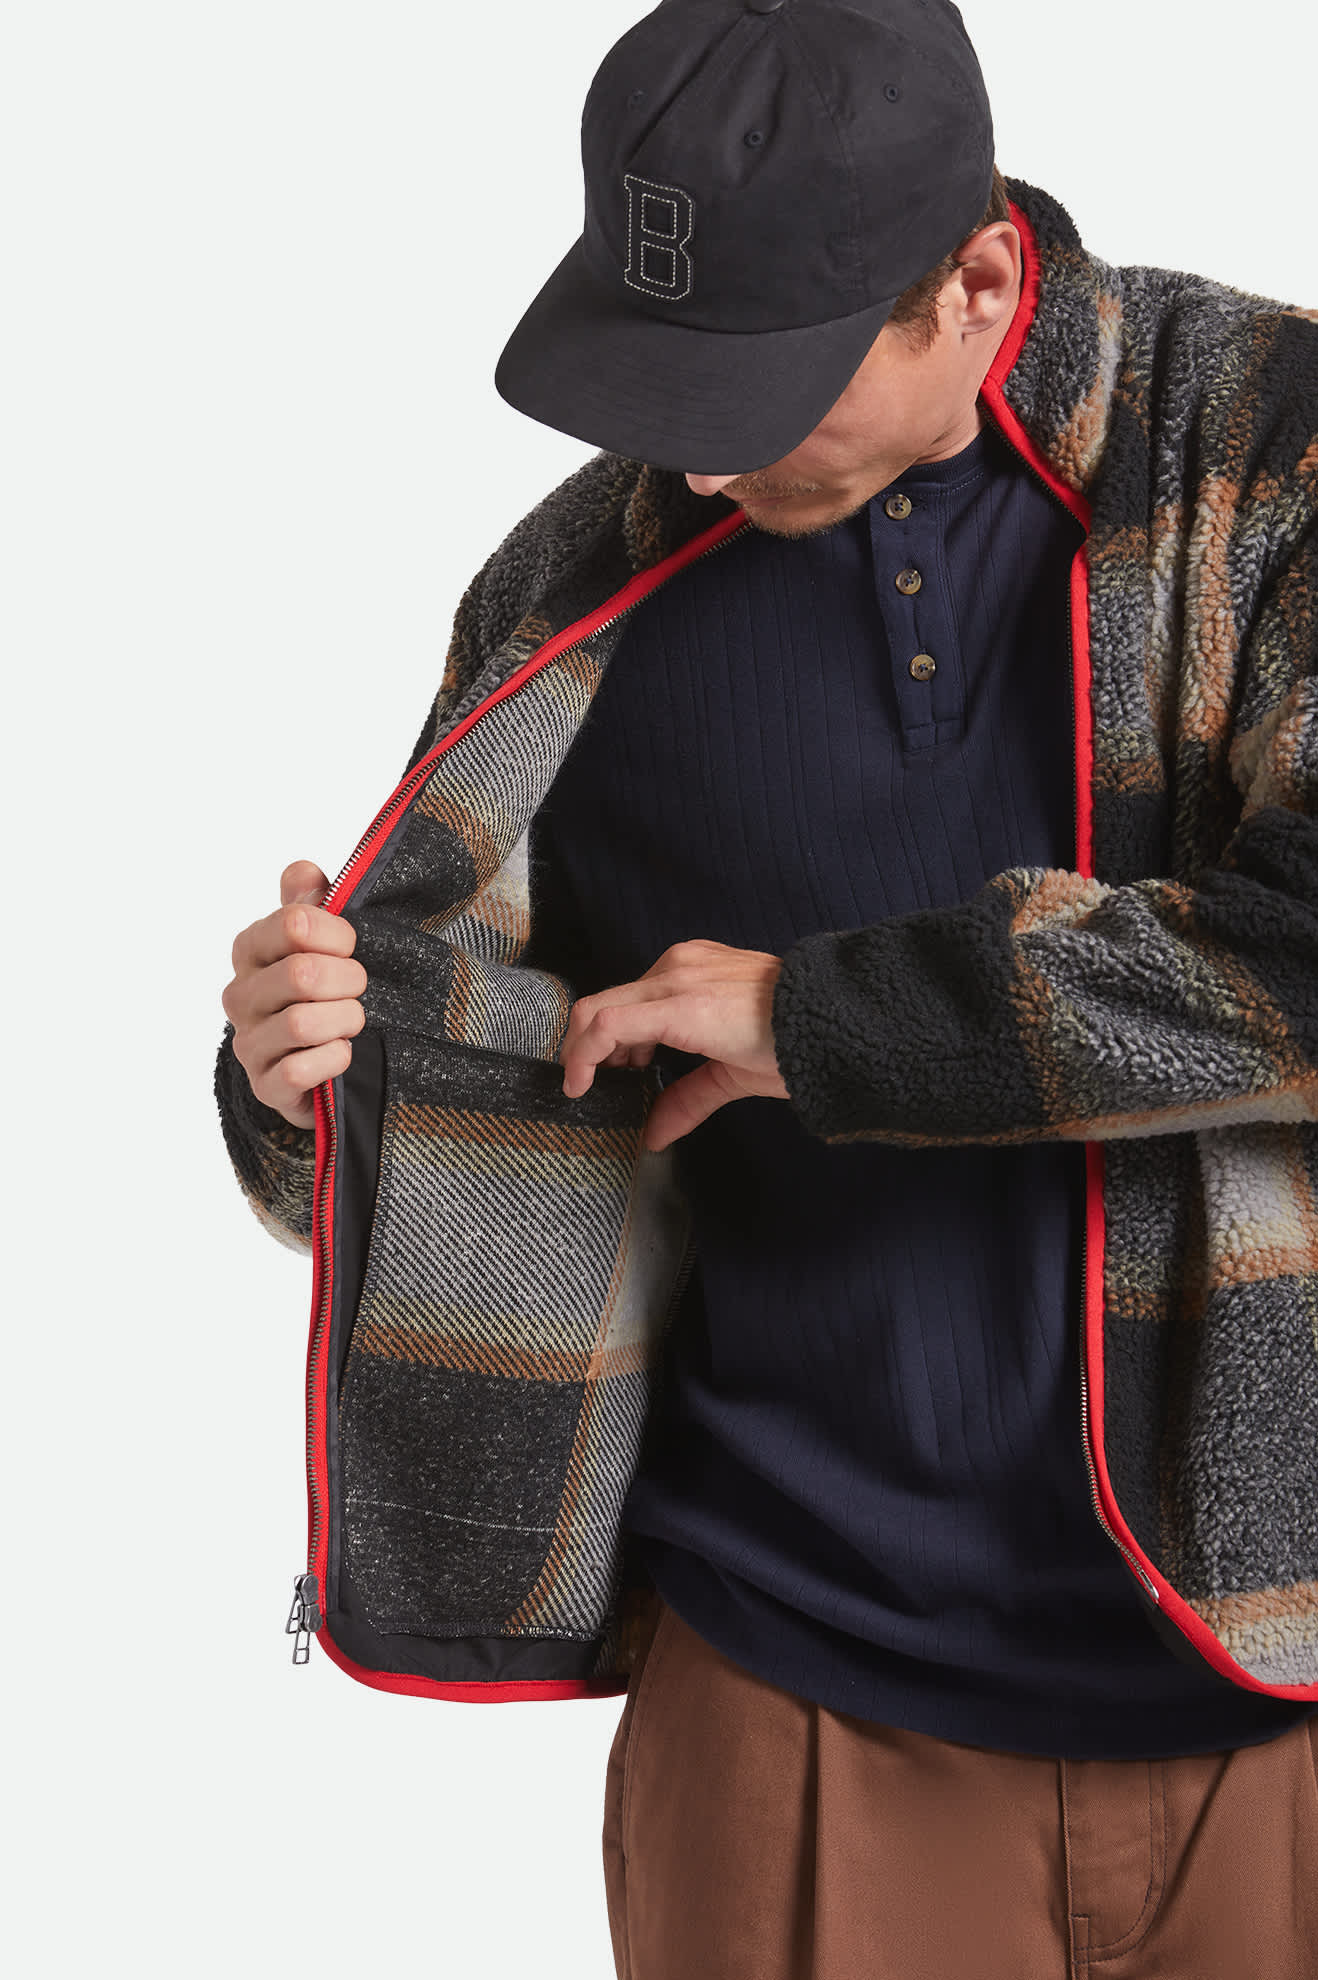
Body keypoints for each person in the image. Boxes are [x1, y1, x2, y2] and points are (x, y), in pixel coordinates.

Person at [214, 1, 1318, 1974]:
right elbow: (480, 1090)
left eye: (762, 381)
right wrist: (299, 1081)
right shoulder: (576, 593)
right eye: (665, 376)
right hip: (794, 1698)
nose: (701, 452)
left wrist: (819, 1020)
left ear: (977, 283)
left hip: (1286, 1681)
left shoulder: (1268, 452)